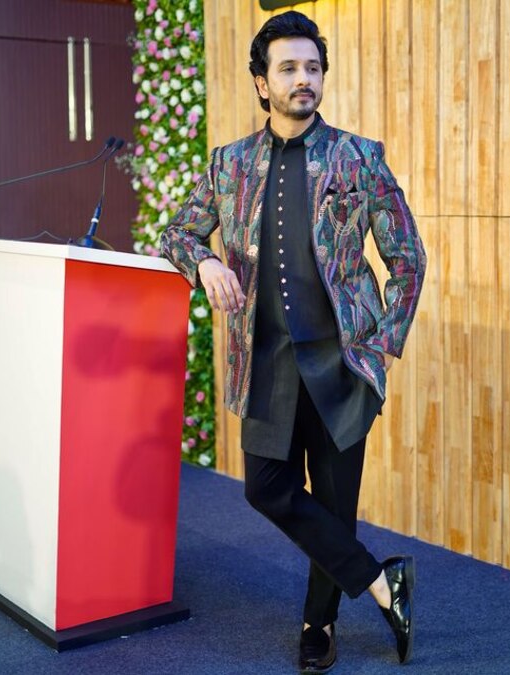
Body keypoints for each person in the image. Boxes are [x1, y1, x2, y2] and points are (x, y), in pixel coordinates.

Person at [160, 10, 426, 673]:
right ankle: (380, 581)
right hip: (266, 363)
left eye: (312, 67)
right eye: (288, 68)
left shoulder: (359, 158)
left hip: (342, 366)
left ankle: (318, 623)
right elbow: (177, 232)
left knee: (334, 504)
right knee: (266, 487)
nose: (303, 78)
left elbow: (407, 258)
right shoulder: (229, 165)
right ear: (262, 83)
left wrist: (380, 346)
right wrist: (204, 261)